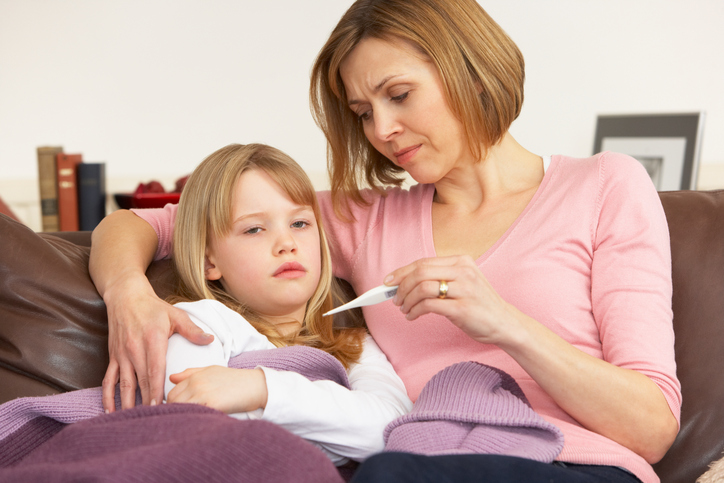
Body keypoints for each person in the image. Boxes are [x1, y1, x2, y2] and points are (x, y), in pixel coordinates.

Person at [89, 0, 681, 481]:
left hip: (570, 463)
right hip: (422, 458)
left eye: (398, 95)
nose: (382, 131)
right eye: (362, 112)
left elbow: (652, 428)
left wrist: (501, 321)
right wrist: (129, 296)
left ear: (469, 68)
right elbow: (152, 224)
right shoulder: (366, 218)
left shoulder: (604, 185)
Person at [159, 142, 411, 465]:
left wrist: (261, 389)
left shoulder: (355, 345)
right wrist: (337, 430)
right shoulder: (196, 323)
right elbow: (197, 430)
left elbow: (389, 431)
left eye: (299, 224)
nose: (287, 244)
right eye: (254, 229)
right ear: (209, 261)